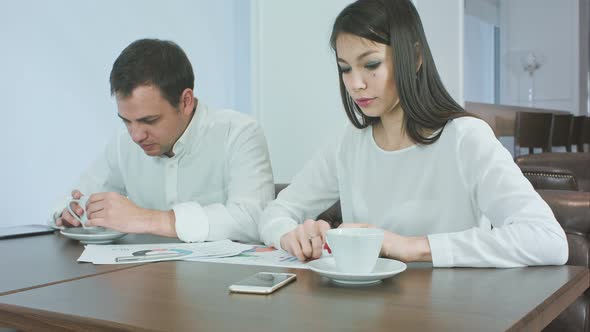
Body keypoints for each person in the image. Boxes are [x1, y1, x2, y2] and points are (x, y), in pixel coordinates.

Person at [258, 0, 568, 267]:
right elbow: (276, 212)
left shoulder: (465, 138)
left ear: (415, 58)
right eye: (345, 68)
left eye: (371, 64)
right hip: (367, 310)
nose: (355, 84)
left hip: (454, 310)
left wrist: (410, 247)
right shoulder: (348, 143)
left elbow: (548, 240)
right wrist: (290, 235)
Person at [52, 39, 274, 243]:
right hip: (145, 279)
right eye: (126, 121)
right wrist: (71, 213)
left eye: (149, 120)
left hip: (221, 281)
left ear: (186, 101)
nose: (136, 135)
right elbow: (73, 198)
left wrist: (145, 219)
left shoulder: (239, 133)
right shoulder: (123, 141)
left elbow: (254, 220)